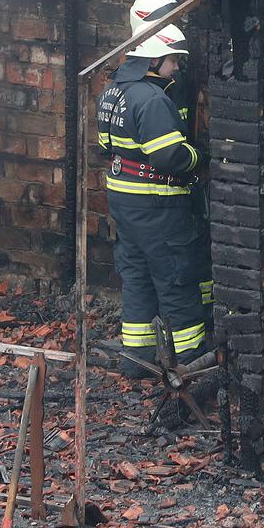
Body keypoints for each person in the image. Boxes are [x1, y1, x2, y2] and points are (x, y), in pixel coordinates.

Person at [96, 19, 210, 371]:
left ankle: (137, 359)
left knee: (137, 279)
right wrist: (199, 156)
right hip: (158, 204)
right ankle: (189, 360)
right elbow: (170, 156)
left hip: (124, 202)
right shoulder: (152, 99)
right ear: (153, 60)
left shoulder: (112, 92)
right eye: (172, 60)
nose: (176, 67)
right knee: (176, 278)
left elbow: (105, 146)